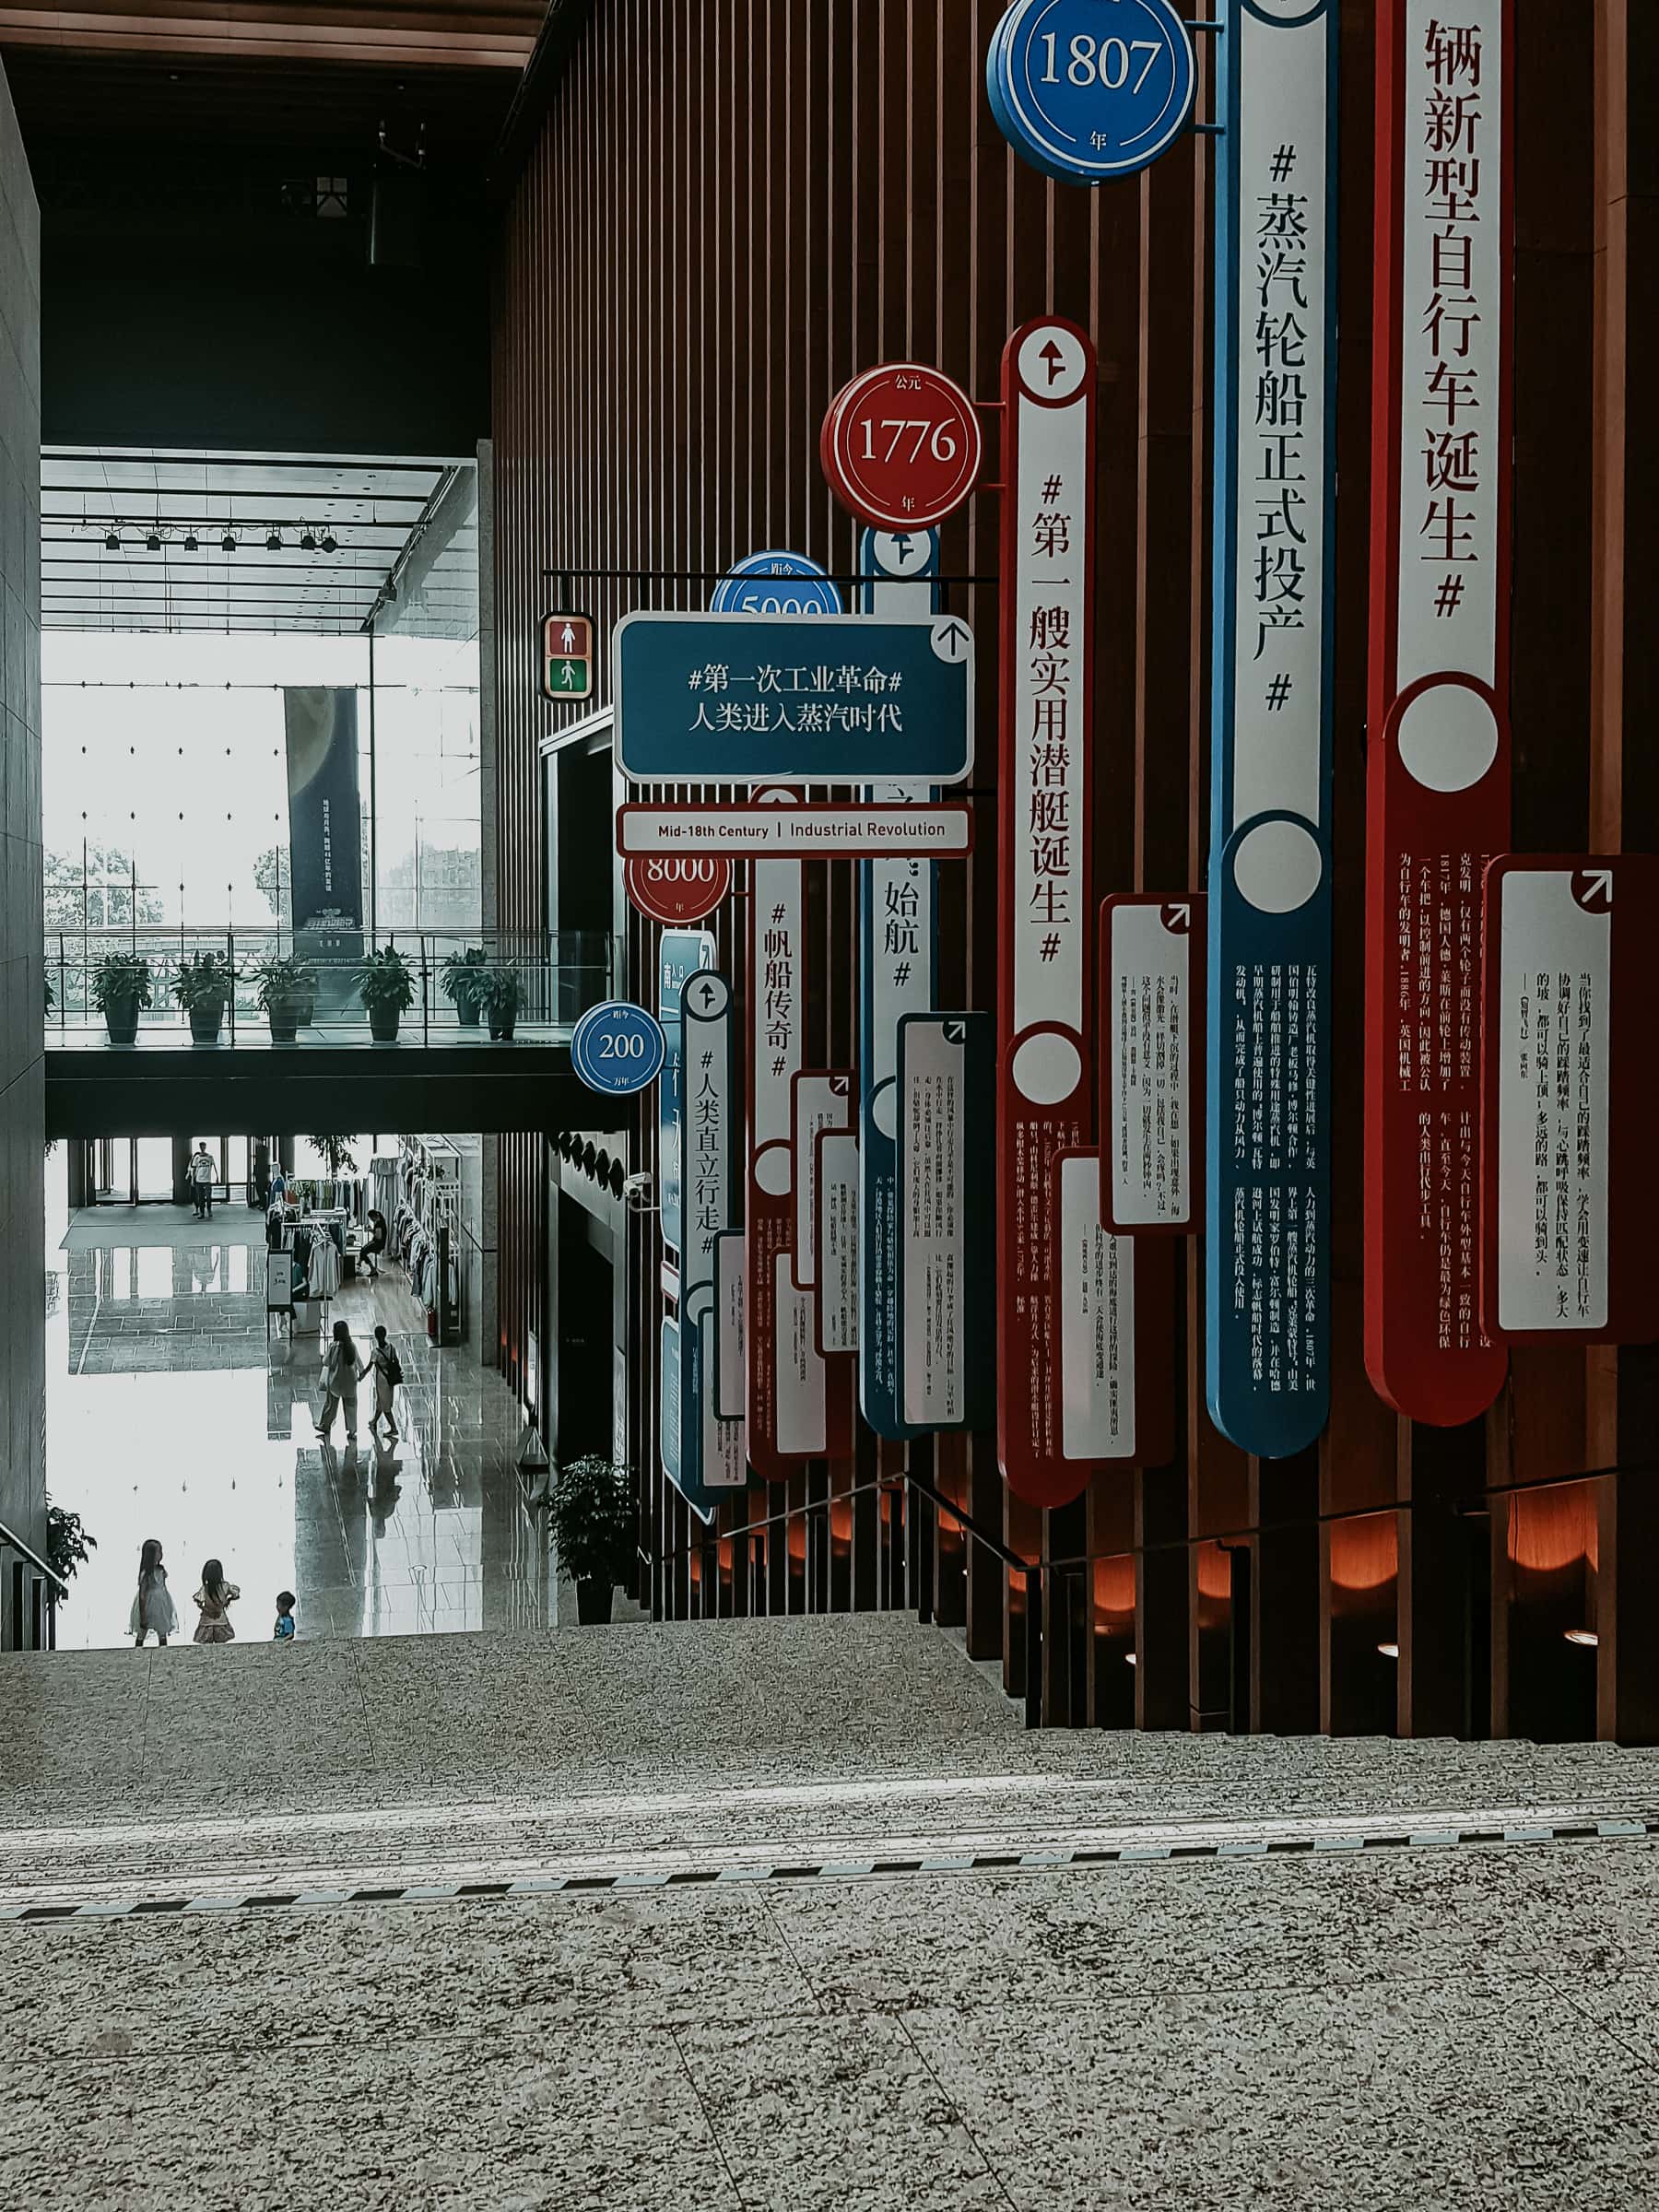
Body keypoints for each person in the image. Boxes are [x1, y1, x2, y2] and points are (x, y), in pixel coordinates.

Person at [317, 1318, 367, 1442]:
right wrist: (361, 1374)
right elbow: (359, 1362)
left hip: (335, 1382)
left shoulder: (334, 1347)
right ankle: (352, 1431)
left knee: (331, 1405)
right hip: (350, 1383)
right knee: (351, 1407)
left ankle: (325, 1425)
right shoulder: (352, 1346)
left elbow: (326, 1362)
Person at [130, 1538, 178, 1648]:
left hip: (161, 1605)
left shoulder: (161, 1570)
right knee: (142, 1631)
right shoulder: (146, 1574)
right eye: (159, 1552)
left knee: (162, 1629)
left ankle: (163, 1650)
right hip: (149, 1604)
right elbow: (142, 1594)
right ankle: (138, 1651)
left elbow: (163, 1587)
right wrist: (142, 1614)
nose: (161, 1554)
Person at [193, 1559, 240, 1644]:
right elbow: (236, 1594)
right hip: (221, 1621)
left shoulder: (205, 1589)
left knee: (207, 1647)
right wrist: (228, 1601)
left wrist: (206, 1610)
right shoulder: (224, 1586)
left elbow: (198, 1600)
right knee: (221, 1646)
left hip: (207, 1622)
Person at [368, 1324, 401, 1441]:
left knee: (385, 1405)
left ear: (376, 1337)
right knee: (381, 1401)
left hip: (382, 1380)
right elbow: (396, 1361)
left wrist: (361, 1375)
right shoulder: (392, 1348)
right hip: (390, 1379)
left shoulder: (376, 1352)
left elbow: (369, 1366)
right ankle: (374, 1421)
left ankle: (393, 1428)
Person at [189, 1142, 217, 1219]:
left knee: (208, 1197)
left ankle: (209, 1209)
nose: (202, 1148)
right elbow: (194, 1169)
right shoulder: (197, 1157)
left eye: (204, 1146)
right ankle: (202, 1213)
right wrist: (192, 1180)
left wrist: (217, 1176)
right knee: (200, 1198)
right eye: (201, 1146)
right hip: (199, 1180)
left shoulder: (210, 1157)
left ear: (206, 1147)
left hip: (207, 1180)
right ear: (200, 1147)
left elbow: (213, 1167)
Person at [363, 1208, 388, 1282]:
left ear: (373, 1217)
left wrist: (370, 1230)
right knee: (364, 1249)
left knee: (363, 1252)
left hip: (378, 1244)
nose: (371, 1220)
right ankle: (361, 1263)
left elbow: (378, 1237)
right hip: (379, 1242)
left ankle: (373, 1269)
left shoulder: (378, 1224)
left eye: (371, 1218)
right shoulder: (380, 1217)